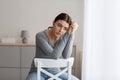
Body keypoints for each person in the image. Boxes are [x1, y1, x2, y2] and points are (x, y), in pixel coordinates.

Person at [26, 13, 79, 80]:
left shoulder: (64, 37)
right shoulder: (40, 36)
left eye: (65, 29)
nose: (61, 30)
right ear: (54, 23)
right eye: (59, 25)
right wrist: (67, 34)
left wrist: (71, 33)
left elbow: (66, 55)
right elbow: (54, 56)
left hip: (55, 71)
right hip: (37, 71)